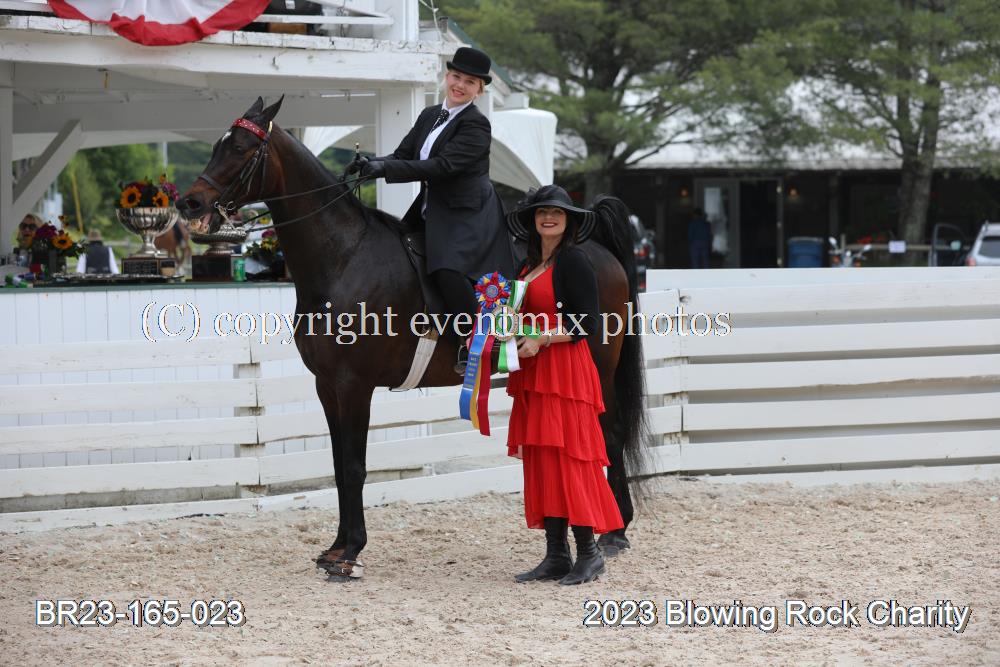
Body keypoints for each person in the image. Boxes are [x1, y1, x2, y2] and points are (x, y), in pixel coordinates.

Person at [348, 46, 515, 373]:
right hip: (433, 208)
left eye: (470, 82)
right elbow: (403, 155)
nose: (460, 85)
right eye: (456, 76)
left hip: (467, 213)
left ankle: (473, 339)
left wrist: (385, 169)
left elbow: (442, 166)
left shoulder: (476, 125)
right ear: (446, 76)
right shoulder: (430, 115)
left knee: (446, 267)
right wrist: (371, 164)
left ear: (479, 90)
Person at [504, 185, 624, 585]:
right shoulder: (527, 266)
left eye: (556, 212)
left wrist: (541, 338)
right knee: (542, 459)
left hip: (564, 371)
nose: (548, 217)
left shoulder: (573, 260)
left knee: (570, 457)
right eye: (541, 212)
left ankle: (589, 553)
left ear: (569, 220)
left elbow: (588, 323)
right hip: (534, 373)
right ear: (532, 220)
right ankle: (556, 554)